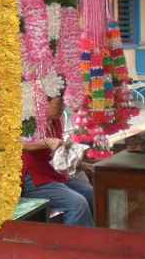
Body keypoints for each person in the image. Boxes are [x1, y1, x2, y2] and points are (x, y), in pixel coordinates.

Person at [21, 95, 94, 226]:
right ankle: (75, 244)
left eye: (63, 104)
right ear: (44, 103)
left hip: (56, 175)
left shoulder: (55, 122)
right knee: (77, 203)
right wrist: (45, 143)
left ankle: (96, 235)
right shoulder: (30, 122)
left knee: (91, 193)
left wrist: (79, 164)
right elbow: (21, 144)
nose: (62, 108)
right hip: (36, 180)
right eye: (58, 104)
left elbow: (59, 153)